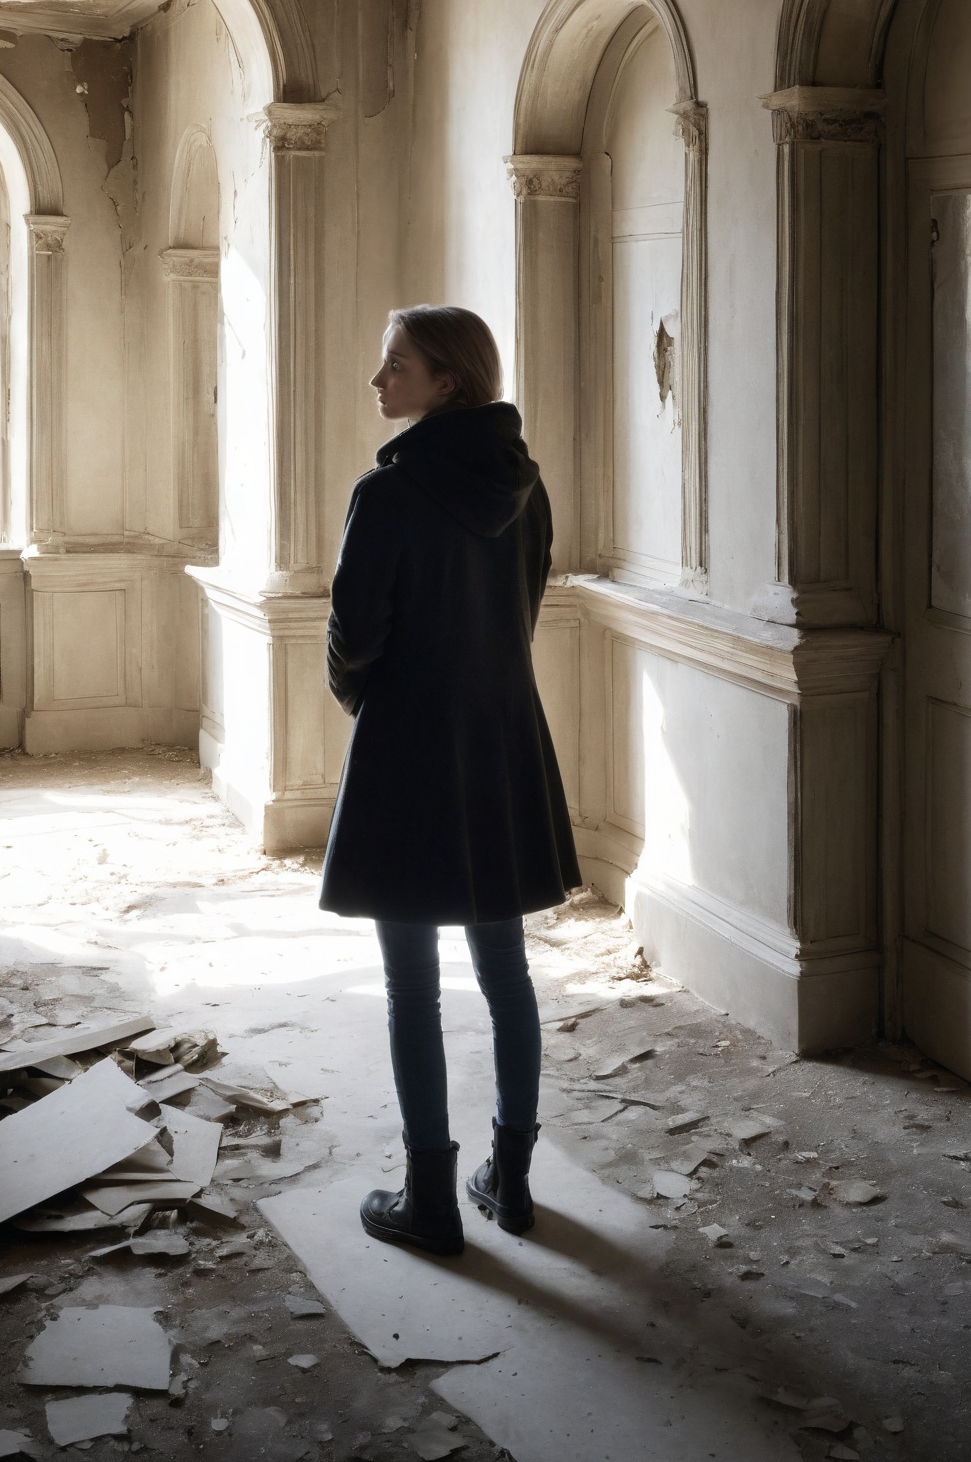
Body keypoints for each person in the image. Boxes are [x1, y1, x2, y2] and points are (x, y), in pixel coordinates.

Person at [319, 304, 581, 1256]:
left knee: (412, 986)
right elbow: (524, 608)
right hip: (501, 740)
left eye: (397, 364)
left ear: (448, 383)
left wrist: (366, 700)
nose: (378, 380)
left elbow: (354, 635)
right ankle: (510, 1186)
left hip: (411, 748)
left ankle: (431, 1203)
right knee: (506, 972)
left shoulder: (387, 494)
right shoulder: (529, 488)